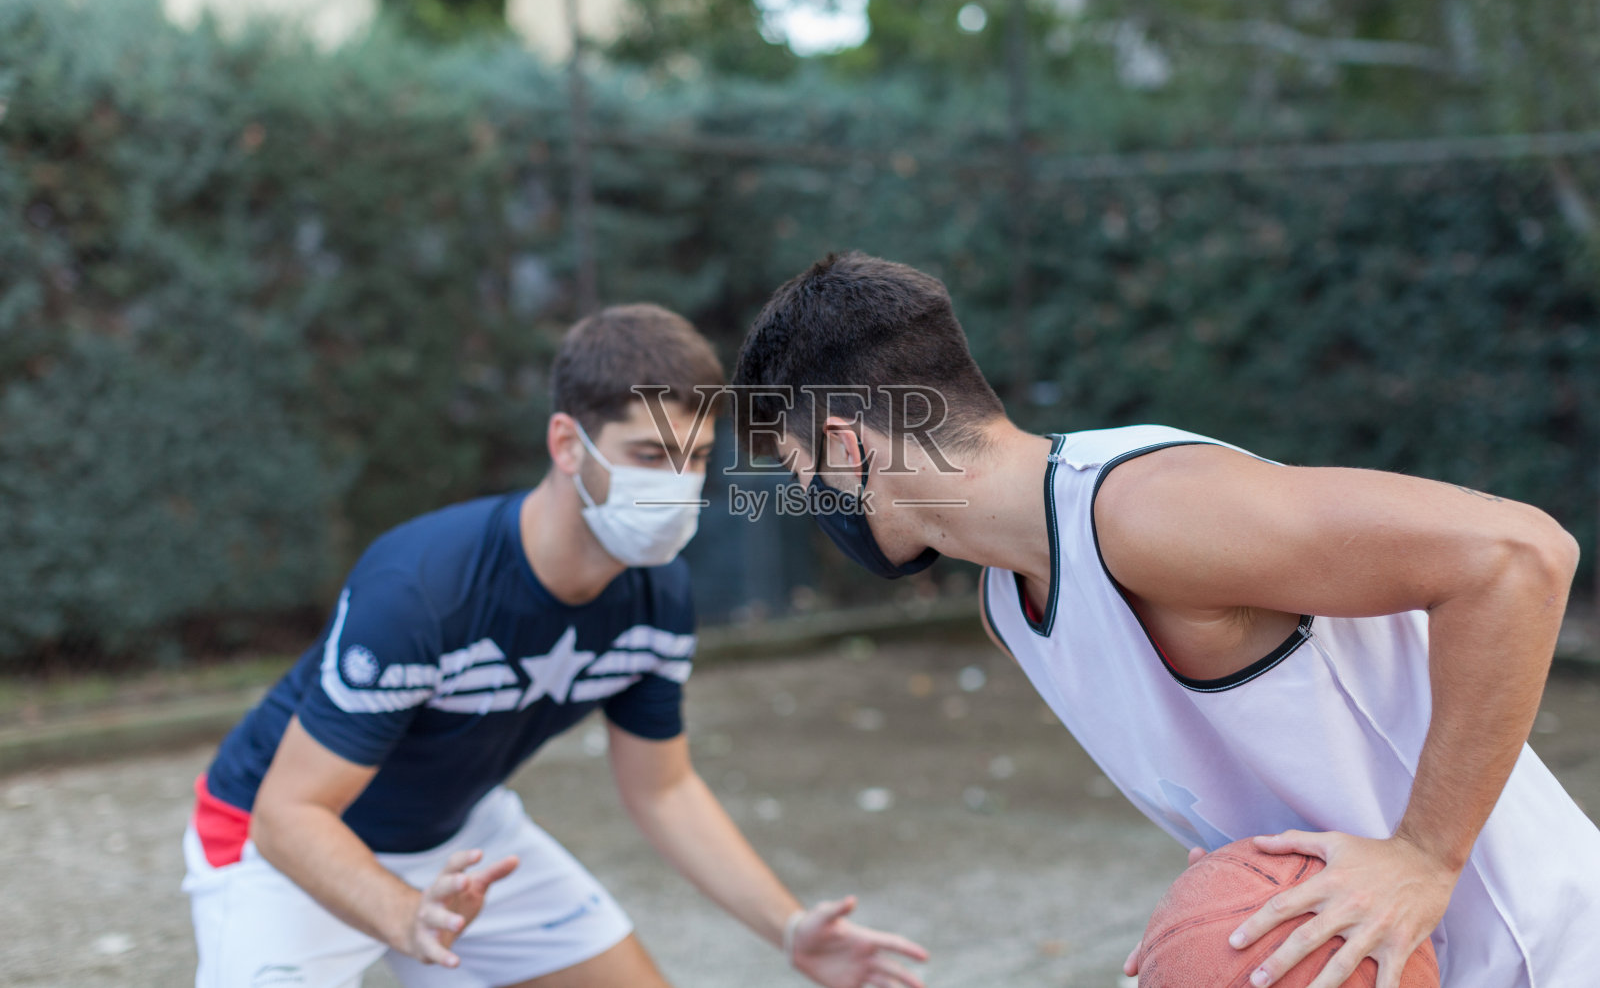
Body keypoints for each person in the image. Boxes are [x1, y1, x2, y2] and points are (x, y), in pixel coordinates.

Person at [730, 251, 1600, 988]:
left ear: (848, 443)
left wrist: (1424, 853)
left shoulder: (1148, 510)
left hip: (1538, 952)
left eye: (800, 462)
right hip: (1377, 952)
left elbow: (1519, 556)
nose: (809, 497)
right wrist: (1223, 887)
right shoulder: (1010, 600)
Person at [182, 303, 928, 988]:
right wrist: (404, 912)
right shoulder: (421, 586)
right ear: (567, 444)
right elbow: (289, 815)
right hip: (275, 844)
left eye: (694, 458)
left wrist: (790, 927)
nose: (678, 487)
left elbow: (662, 788)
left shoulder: (656, 593)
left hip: (458, 837)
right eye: (647, 454)